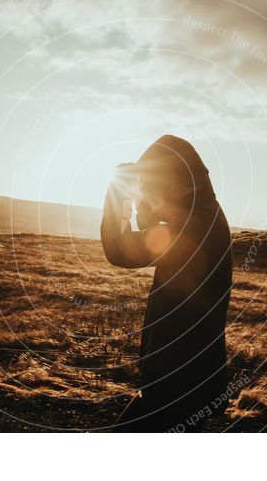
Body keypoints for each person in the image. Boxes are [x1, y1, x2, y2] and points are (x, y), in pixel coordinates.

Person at [100, 134, 233, 432]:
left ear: (178, 186)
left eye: (152, 186)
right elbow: (155, 221)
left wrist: (117, 193)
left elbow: (119, 249)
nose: (146, 193)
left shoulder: (192, 230)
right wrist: (143, 196)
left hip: (176, 384)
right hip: (191, 379)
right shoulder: (205, 213)